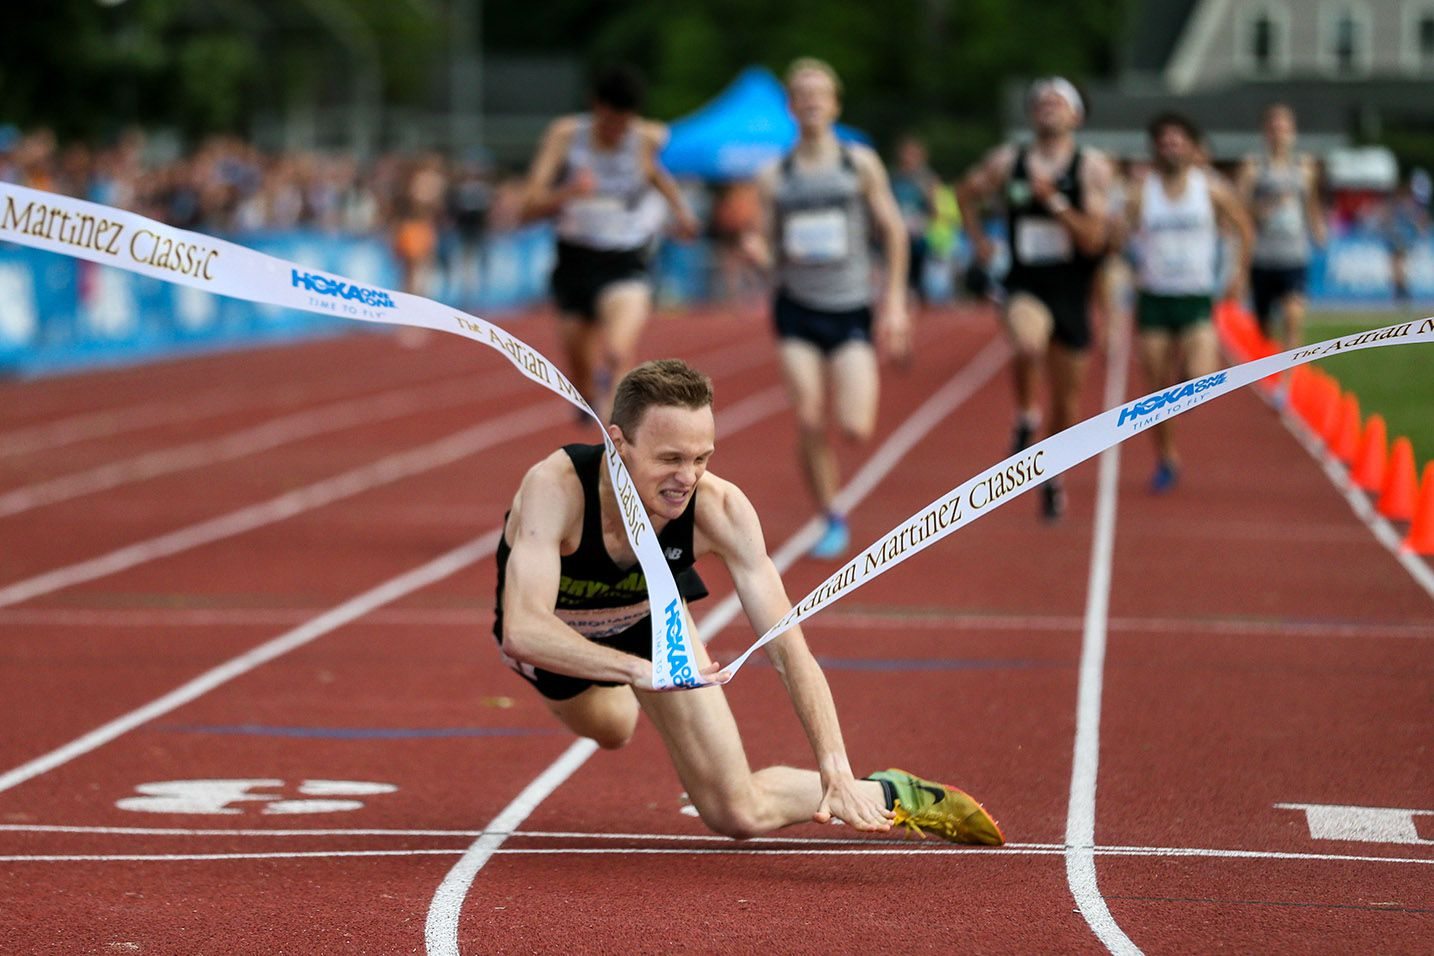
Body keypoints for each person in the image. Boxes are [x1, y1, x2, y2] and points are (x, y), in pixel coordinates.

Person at [492, 358, 1003, 845]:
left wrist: (835, 766)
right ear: (618, 443)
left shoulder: (721, 509)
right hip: (563, 638)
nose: (687, 478)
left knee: (737, 814)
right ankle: (624, 691)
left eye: (701, 457)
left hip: (651, 629)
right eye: (670, 458)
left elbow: (788, 649)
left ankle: (894, 792)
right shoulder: (555, 489)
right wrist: (635, 670)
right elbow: (524, 629)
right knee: (614, 728)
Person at [741, 58, 912, 559]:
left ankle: (831, 494)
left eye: (821, 93)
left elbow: (895, 232)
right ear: (792, 107)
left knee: (856, 426)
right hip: (795, 308)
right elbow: (766, 244)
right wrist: (758, 252)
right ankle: (831, 513)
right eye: (802, 94)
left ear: (834, 104)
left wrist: (896, 303)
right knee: (810, 417)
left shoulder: (858, 164)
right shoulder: (775, 175)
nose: (812, 101)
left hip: (850, 306)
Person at [955, 77, 1114, 522]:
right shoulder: (1009, 161)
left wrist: (1056, 204)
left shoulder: (1091, 168)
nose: (1048, 106)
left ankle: (1051, 475)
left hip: (1072, 289)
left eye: (1058, 101)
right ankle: (1026, 414)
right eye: (1040, 101)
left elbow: (1093, 240)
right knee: (1027, 342)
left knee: (1068, 404)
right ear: (1031, 114)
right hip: (1025, 283)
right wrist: (977, 239)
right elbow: (965, 193)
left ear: (1076, 116)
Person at [521, 64, 700, 420]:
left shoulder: (645, 137)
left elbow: (653, 172)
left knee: (617, 353)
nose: (616, 131)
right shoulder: (566, 136)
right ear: (595, 107)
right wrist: (571, 191)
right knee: (578, 363)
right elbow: (529, 204)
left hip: (624, 257)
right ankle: (587, 395)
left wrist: (681, 211)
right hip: (575, 259)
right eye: (609, 122)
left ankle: (614, 441)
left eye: (624, 123)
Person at [1126, 112, 1253, 493]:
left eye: (1178, 140)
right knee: (1157, 390)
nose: (1171, 146)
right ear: (1155, 148)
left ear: (1191, 146)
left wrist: (1239, 274)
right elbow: (1117, 239)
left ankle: (1182, 394)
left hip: (1196, 296)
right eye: (1164, 141)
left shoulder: (1209, 189)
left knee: (1202, 376)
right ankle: (1166, 458)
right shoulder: (1140, 192)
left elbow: (1244, 228)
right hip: (1154, 298)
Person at [1236, 103, 1326, 353]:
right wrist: (1264, 208)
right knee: (1261, 328)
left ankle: (1289, 379)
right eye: (1274, 128)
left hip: (1293, 254)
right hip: (1262, 256)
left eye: (1284, 128)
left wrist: (1318, 229)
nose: (1279, 133)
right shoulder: (1253, 167)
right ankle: (1267, 377)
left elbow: (1311, 203)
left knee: (1293, 315)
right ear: (1266, 132)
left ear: (1293, 131)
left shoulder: (1305, 167)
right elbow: (1238, 211)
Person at [890, 135, 939, 309]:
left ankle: (920, 297)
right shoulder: (894, 177)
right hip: (898, 230)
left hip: (919, 231)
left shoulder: (927, 178)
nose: (909, 158)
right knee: (900, 264)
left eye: (913, 154)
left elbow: (935, 209)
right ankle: (902, 296)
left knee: (918, 267)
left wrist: (925, 220)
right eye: (906, 154)